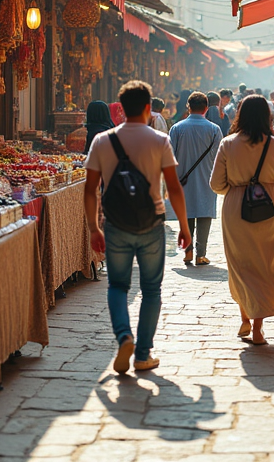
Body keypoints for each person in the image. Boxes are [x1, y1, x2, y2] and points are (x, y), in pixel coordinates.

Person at [84, 81, 192, 374]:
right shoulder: (159, 140)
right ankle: (143, 354)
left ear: (119, 110)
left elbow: (91, 189)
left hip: (116, 224)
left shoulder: (102, 141)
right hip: (152, 223)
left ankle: (124, 337)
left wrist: (94, 228)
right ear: (148, 108)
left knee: (118, 285)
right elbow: (174, 187)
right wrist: (184, 226)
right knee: (151, 290)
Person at [210, 95, 274, 346]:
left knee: (241, 265)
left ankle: (245, 318)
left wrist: (237, 185)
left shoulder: (227, 144)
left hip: (235, 210)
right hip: (269, 210)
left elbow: (216, 184)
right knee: (266, 265)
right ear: (267, 116)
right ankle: (259, 328)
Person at [169, 92, 223, 265]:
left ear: (188, 107)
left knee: (186, 215)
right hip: (207, 179)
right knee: (204, 215)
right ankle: (201, 254)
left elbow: (170, 157)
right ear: (206, 108)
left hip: (183, 180)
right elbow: (220, 158)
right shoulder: (214, 130)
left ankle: (188, 251)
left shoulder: (177, 128)